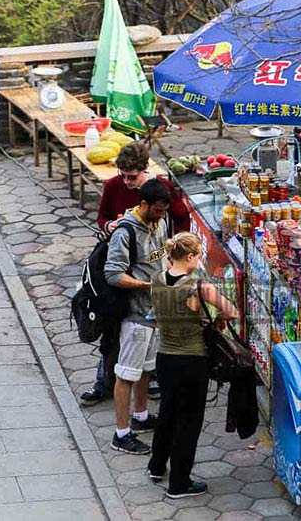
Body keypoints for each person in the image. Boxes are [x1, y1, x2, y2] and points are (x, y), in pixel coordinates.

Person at [81, 141, 190, 408]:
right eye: (124, 176)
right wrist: (111, 226)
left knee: (150, 333)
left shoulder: (158, 189)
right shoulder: (112, 187)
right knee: (112, 328)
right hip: (121, 273)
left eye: (133, 176)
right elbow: (102, 218)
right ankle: (104, 382)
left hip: (148, 273)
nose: (128, 182)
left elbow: (181, 217)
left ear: (144, 171)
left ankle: (149, 383)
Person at [147, 232, 238, 498]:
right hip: (192, 360)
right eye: (199, 256)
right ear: (190, 257)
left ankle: (156, 466)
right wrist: (219, 319)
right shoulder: (198, 286)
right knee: (188, 422)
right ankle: (179, 482)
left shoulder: (155, 281)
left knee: (167, 412)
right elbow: (232, 311)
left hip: (164, 357)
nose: (200, 261)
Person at [105, 179, 171, 454]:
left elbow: (161, 257)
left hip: (155, 313)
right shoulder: (125, 233)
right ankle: (121, 434)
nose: (161, 217)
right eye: (156, 211)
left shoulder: (161, 222)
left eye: (164, 211)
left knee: (146, 368)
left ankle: (141, 416)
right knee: (127, 374)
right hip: (135, 315)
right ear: (143, 204)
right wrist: (146, 286)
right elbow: (113, 274)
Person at [97, 141, 190, 235]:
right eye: (122, 176)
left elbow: (181, 216)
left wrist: (179, 242)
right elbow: (102, 216)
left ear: (145, 168)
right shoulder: (112, 185)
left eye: (132, 177)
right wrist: (108, 226)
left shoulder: (162, 186)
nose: (126, 182)